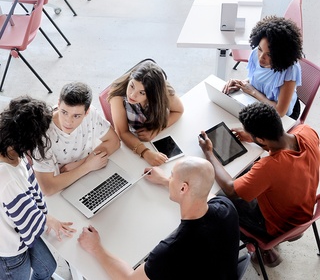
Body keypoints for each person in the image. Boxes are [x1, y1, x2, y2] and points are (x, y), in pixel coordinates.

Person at [78, 156, 240, 280]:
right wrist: (164, 180)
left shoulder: (171, 250)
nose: (170, 179)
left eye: (172, 176)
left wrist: (96, 248)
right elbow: (202, 193)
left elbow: (129, 278)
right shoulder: (226, 206)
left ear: (183, 187)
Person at [199, 102, 319, 267]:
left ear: (261, 138)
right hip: (303, 209)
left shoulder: (269, 166)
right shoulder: (308, 132)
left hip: (276, 226)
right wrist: (256, 140)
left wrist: (209, 153)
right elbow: (283, 149)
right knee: (247, 174)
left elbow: (230, 189)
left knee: (215, 198)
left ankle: (264, 247)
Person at [0, 96, 76, 280]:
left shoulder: (14, 151)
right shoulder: (6, 179)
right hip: (10, 250)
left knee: (48, 267)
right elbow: (28, 222)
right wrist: (47, 220)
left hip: (21, 230)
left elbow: (30, 195)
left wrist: (46, 217)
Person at [33, 82, 120, 196]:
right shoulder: (43, 135)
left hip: (89, 175)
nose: (68, 121)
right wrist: (87, 166)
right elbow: (48, 188)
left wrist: (81, 163)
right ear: (59, 104)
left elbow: (114, 141)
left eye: (76, 116)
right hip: (61, 190)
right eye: (64, 112)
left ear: (86, 112)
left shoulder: (91, 114)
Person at [223, 16, 303, 119]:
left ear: (281, 55)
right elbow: (257, 78)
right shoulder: (256, 52)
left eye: (269, 55)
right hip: (259, 102)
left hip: (282, 115)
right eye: (260, 49)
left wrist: (252, 92)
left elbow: (280, 112)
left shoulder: (291, 69)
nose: (261, 58)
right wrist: (241, 83)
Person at [108, 59, 184, 166]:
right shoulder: (117, 95)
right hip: (132, 138)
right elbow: (122, 132)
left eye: (142, 93)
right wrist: (145, 153)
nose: (132, 95)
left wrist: (157, 130)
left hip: (155, 137)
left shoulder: (163, 92)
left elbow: (178, 110)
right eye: (132, 86)